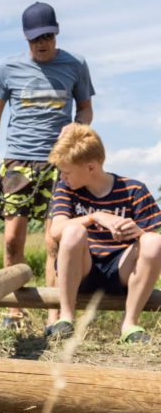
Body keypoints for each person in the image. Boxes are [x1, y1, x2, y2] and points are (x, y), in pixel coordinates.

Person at [0, 2, 95, 329]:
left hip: (60, 162)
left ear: (56, 33)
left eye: (46, 36)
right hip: (16, 161)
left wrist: (77, 125)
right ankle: (15, 312)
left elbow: (86, 110)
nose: (41, 43)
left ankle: (55, 316)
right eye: (34, 39)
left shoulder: (76, 65)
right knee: (13, 239)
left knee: (54, 240)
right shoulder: (7, 69)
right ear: (26, 39)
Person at [48, 124, 161, 342]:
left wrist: (138, 232)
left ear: (90, 168)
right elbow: (56, 230)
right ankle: (66, 318)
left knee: (154, 241)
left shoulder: (134, 190)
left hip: (123, 270)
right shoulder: (66, 188)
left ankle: (130, 324)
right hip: (82, 269)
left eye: (67, 171)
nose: (63, 176)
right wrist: (95, 217)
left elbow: (151, 244)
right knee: (72, 232)